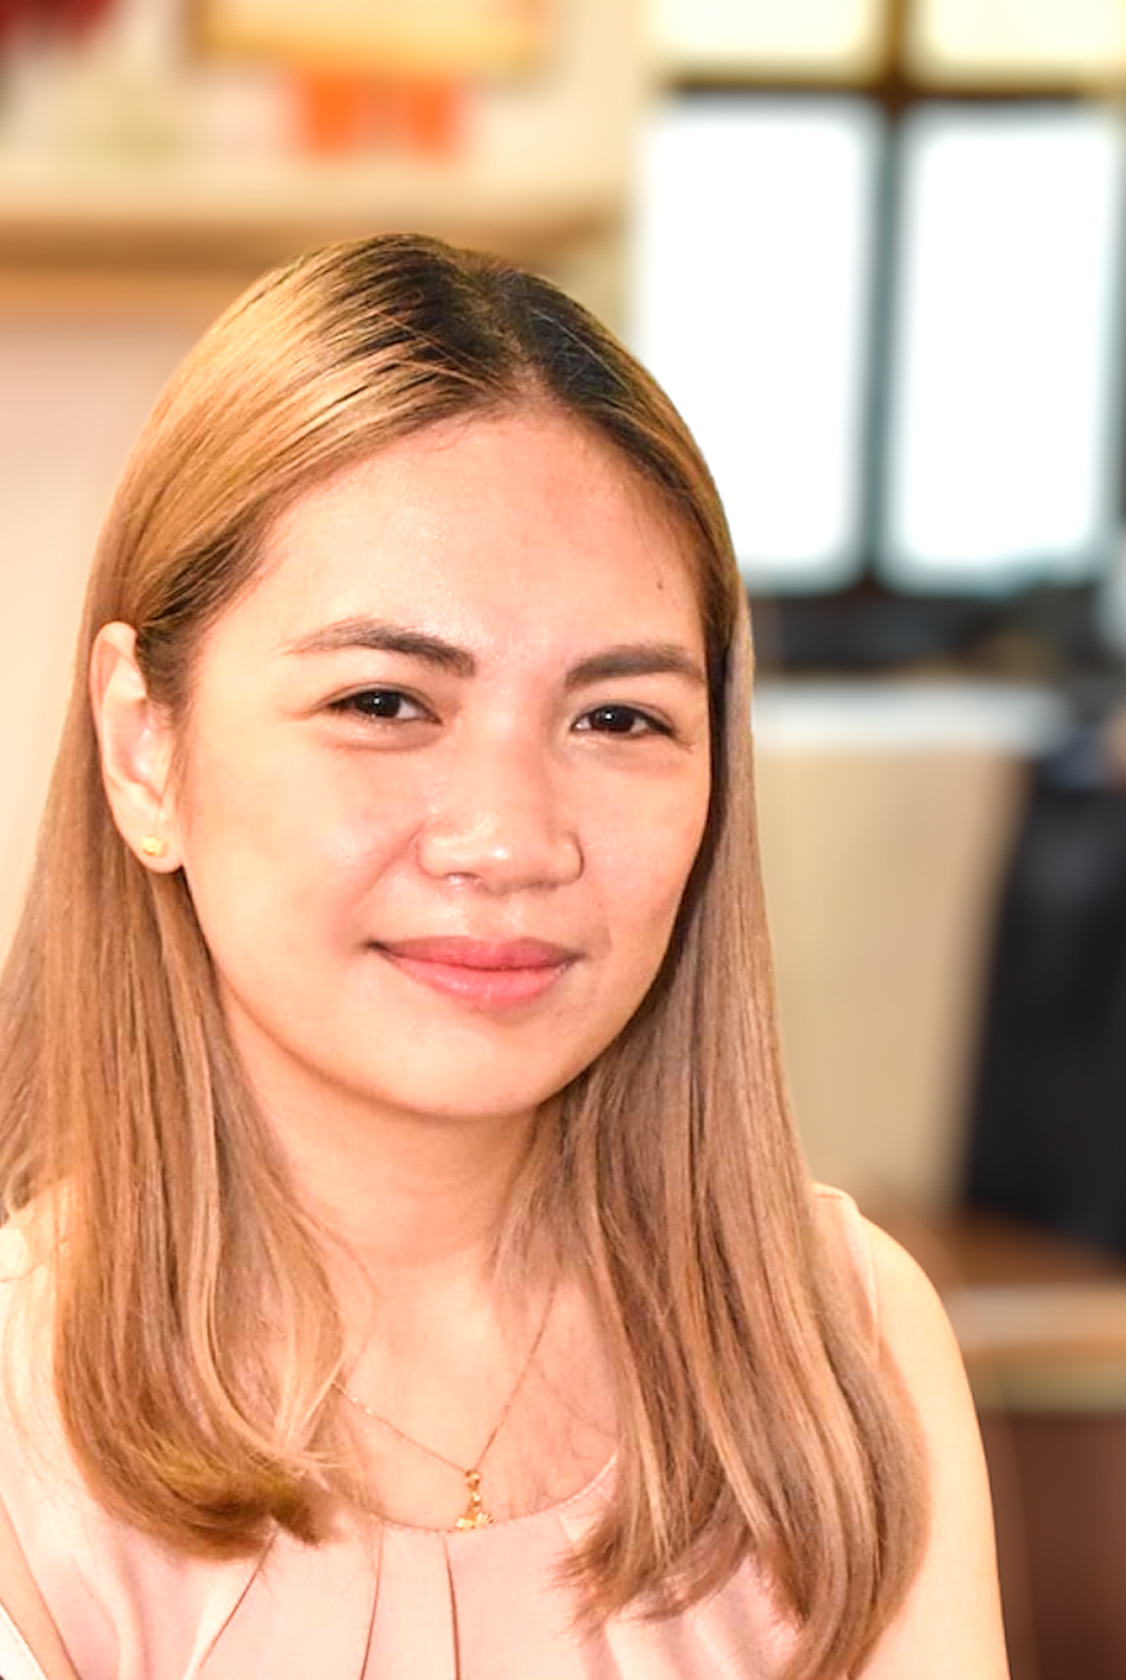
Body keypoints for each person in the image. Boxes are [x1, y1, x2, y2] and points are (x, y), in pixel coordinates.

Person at [0, 233, 1008, 1679]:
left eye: (617, 719)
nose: (509, 839)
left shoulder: (845, 1346)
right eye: (384, 701)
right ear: (143, 747)